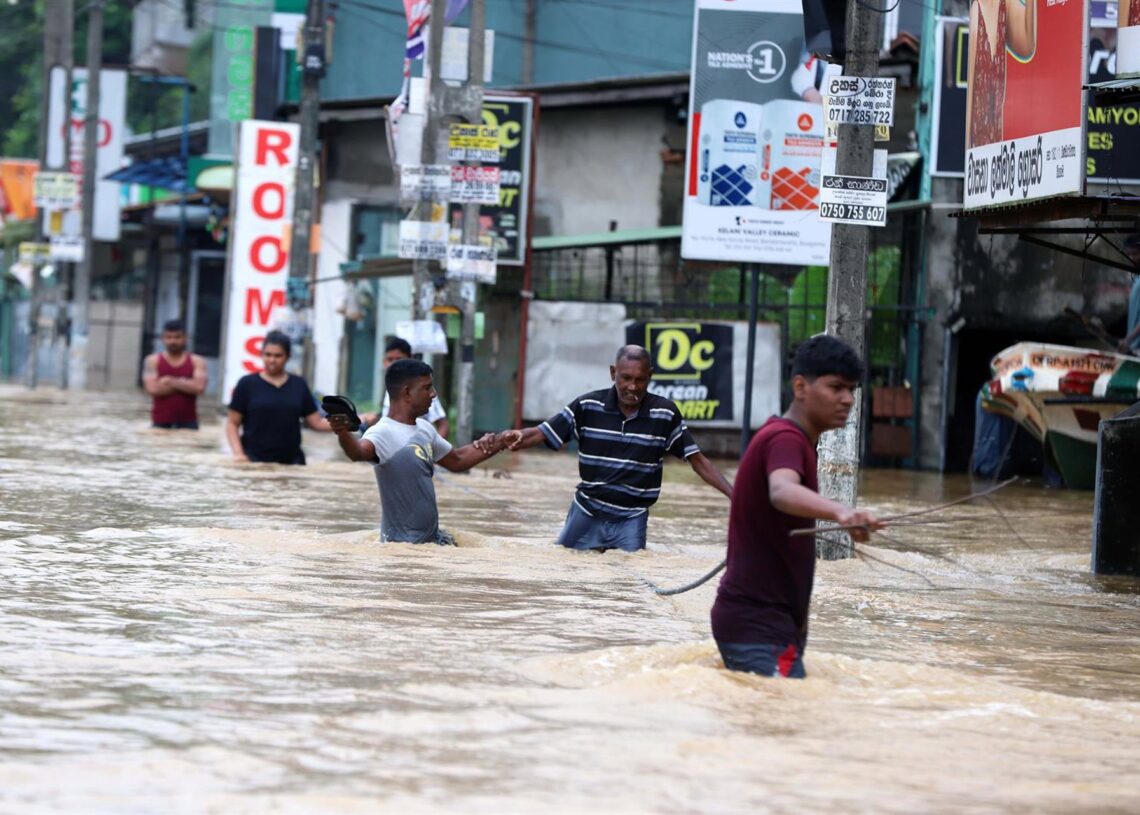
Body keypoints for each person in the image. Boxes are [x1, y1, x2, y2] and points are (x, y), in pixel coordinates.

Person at [710, 335, 885, 679]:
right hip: (758, 625)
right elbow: (782, 490)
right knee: (787, 722)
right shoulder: (785, 440)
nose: (847, 399)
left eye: (852, 389)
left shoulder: (791, 438)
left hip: (765, 624)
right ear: (801, 386)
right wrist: (840, 512)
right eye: (836, 387)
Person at [487, 345, 734, 552]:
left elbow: (698, 461)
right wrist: (515, 436)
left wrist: (736, 498)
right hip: (586, 511)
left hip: (631, 518)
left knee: (630, 582)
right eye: (626, 378)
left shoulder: (665, 413)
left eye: (640, 380)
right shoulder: (588, 405)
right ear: (613, 373)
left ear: (650, 376)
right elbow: (543, 432)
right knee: (564, 570)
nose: (633, 387)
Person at [327, 358, 507, 545]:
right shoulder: (383, 432)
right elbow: (357, 452)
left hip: (433, 542)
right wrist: (343, 433)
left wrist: (500, 441)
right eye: (427, 388)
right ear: (407, 393)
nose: (433, 394)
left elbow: (458, 460)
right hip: (402, 549)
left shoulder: (425, 429)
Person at [226, 331, 331, 464]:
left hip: (292, 463)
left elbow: (316, 423)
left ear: (288, 357)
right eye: (267, 355)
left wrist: (348, 424)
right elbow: (232, 423)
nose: (272, 360)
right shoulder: (247, 384)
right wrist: (239, 454)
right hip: (254, 461)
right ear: (261, 354)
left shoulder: (299, 385)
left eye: (278, 356)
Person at [966, 0, 1037, 148]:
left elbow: (1027, 45)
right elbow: (970, 106)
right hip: (978, 151)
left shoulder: (1006, 5)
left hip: (994, 152)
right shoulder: (976, 10)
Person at [360, 338, 449, 437]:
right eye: (390, 359)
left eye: (398, 359)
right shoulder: (391, 387)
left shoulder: (423, 390)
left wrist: (432, 448)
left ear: (410, 359)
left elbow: (443, 425)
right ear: (384, 362)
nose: (393, 363)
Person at [142, 319, 207, 429]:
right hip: (160, 424)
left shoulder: (197, 361)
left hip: (189, 424)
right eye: (168, 337)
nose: (173, 341)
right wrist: (185, 384)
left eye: (177, 337)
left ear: (185, 338)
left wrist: (169, 381)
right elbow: (152, 389)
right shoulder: (152, 360)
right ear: (163, 338)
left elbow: (199, 388)